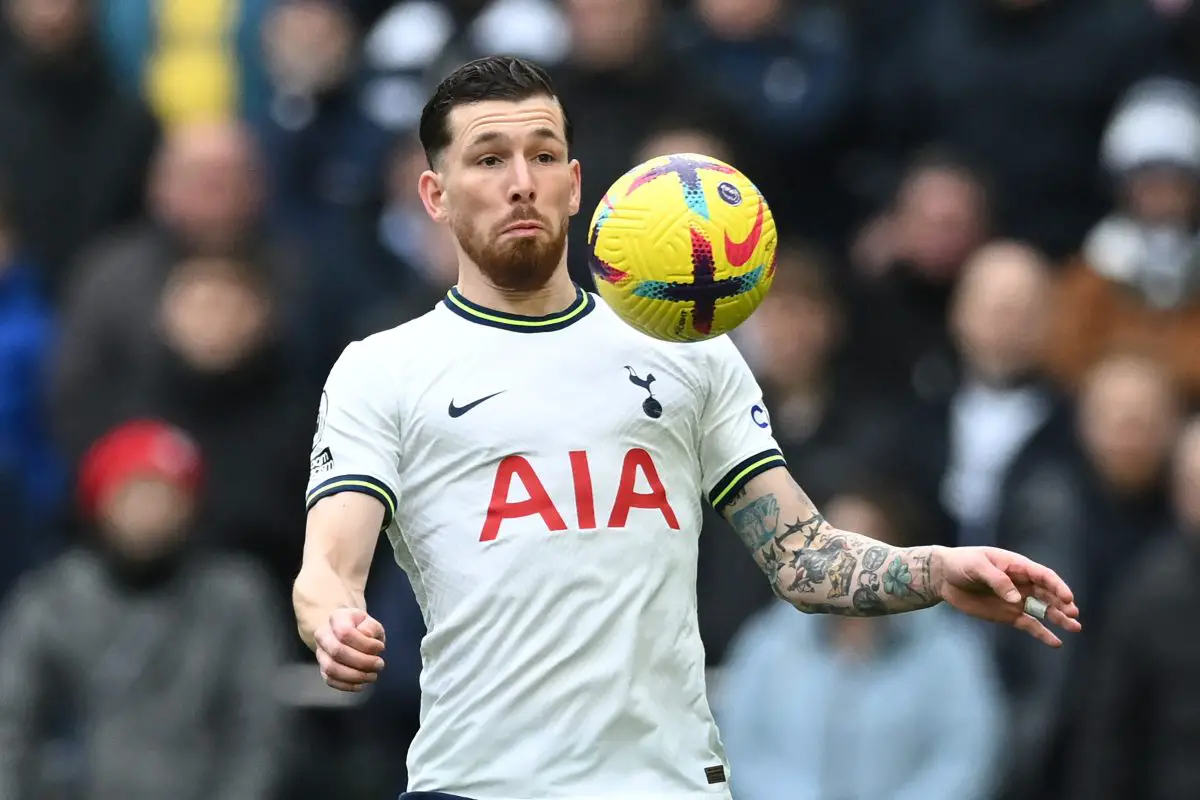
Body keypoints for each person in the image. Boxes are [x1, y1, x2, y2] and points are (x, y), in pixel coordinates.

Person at [292, 55, 1081, 800]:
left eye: (543, 156)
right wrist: (334, 624)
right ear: (435, 195)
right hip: (473, 782)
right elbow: (329, 566)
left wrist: (934, 571)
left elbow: (800, 557)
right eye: (489, 159)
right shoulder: (384, 368)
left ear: (576, 185)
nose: (520, 183)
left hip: (661, 783)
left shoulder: (687, 353)